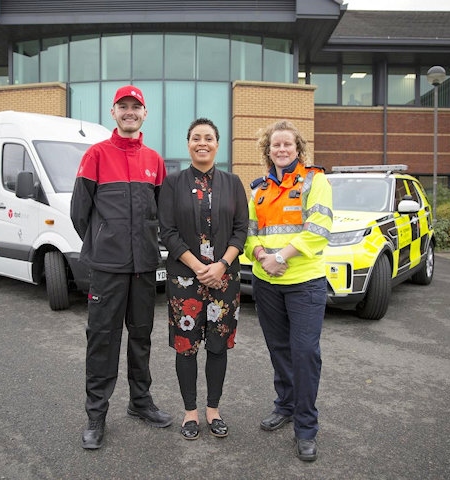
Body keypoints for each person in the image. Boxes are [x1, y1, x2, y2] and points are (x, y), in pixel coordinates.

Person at [70, 85, 173, 450]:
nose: (130, 112)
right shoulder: (96, 154)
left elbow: (161, 214)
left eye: (136, 106)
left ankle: (140, 403)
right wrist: (104, 241)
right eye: (123, 106)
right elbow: (78, 212)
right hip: (108, 268)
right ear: (113, 112)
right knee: (102, 339)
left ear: (145, 114)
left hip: (144, 267)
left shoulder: (154, 160)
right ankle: (96, 415)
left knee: (141, 337)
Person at [244, 120, 333, 462]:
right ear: (267, 150)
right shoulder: (258, 189)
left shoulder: (315, 180)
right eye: (275, 145)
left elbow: (318, 229)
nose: (282, 150)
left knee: (304, 353)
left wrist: (280, 256)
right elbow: (249, 233)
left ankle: (306, 428)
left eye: (288, 145)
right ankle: (285, 404)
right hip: (267, 284)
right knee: (279, 349)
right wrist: (263, 256)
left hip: (305, 283)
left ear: (298, 149)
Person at [158, 118, 248, 440]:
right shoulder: (173, 183)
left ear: (217, 144)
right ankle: (190, 412)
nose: (202, 143)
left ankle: (213, 410)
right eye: (196, 137)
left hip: (225, 279)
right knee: (186, 347)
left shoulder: (233, 183)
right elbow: (166, 231)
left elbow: (241, 230)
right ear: (188, 144)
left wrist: (222, 264)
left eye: (208, 138)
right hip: (186, 280)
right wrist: (198, 266)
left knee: (217, 345)